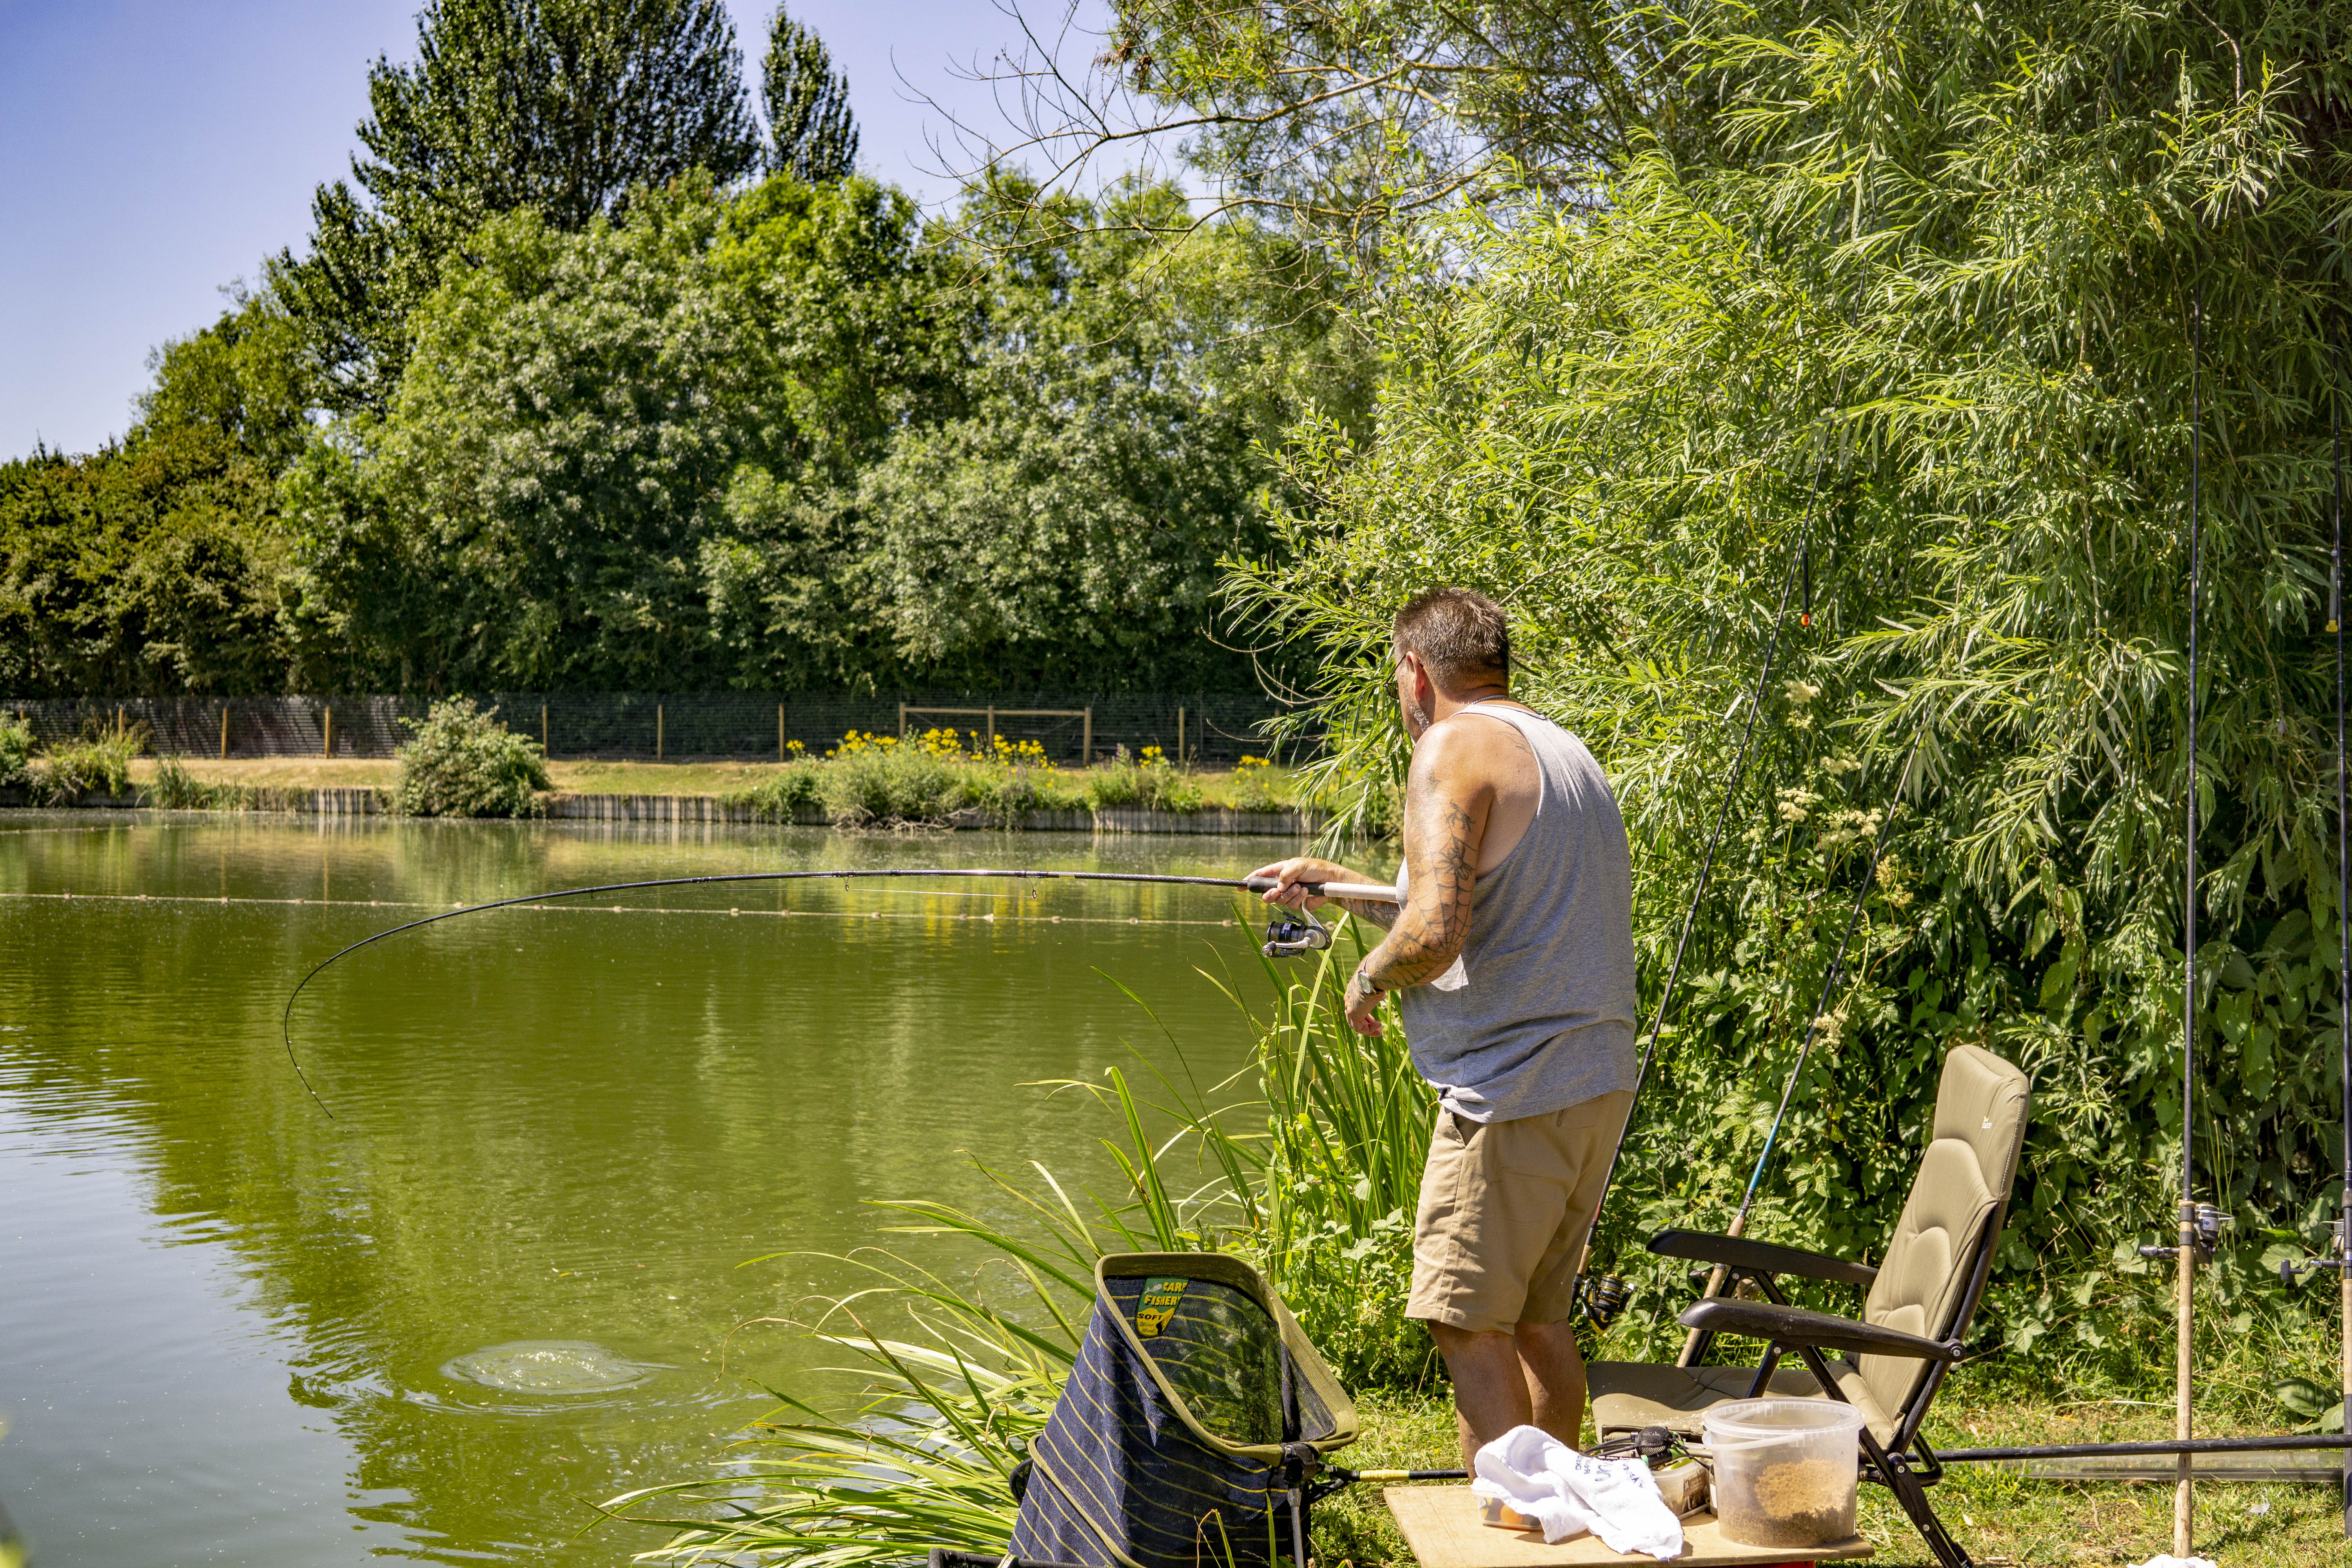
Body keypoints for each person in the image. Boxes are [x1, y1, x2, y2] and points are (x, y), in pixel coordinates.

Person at [1252, 586, 1637, 1470]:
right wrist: (1336, 885)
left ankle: (1508, 1523)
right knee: (1538, 1319)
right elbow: (1484, 907)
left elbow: (1434, 932)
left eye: (1398, 676)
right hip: (1592, 1079)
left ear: (1416, 670)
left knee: (1466, 1322)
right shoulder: (1562, 752)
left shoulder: (1450, 746)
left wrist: (1367, 976)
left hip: (1512, 1092)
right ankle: (1555, 1515)